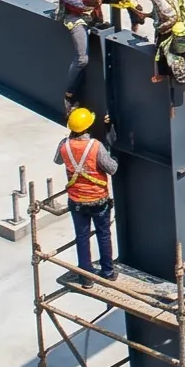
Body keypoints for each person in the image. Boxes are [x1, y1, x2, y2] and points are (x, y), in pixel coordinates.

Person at [56, 107, 117, 279]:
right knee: (103, 234)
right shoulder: (95, 146)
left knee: (82, 237)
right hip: (98, 200)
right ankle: (108, 272)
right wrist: (115, 157)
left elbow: (57, 160)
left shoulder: (64, 145)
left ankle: (86, 276)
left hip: (76, 201)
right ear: (88, 126)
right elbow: (112, 168)